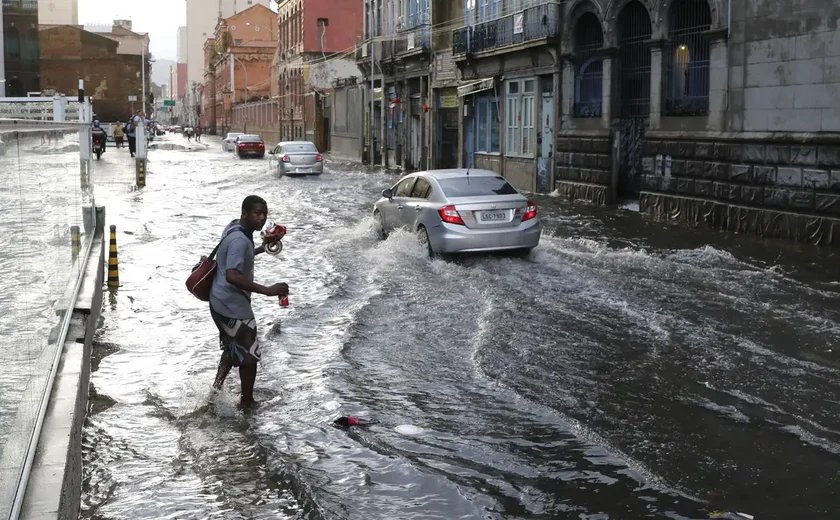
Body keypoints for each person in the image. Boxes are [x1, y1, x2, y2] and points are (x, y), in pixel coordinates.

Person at [209, 195, 289, 410]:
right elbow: (233, 275)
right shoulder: (240, 240)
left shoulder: (234, 228)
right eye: (257, 214)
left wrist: (264, 247)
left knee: (232, 346)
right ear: (245, 213)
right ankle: (247, 402)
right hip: (231, 304)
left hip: (217, 301)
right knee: (250, 354)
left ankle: (215, 390)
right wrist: (268, 290)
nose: (261, 218)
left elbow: (236, 257)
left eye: (264, 214)